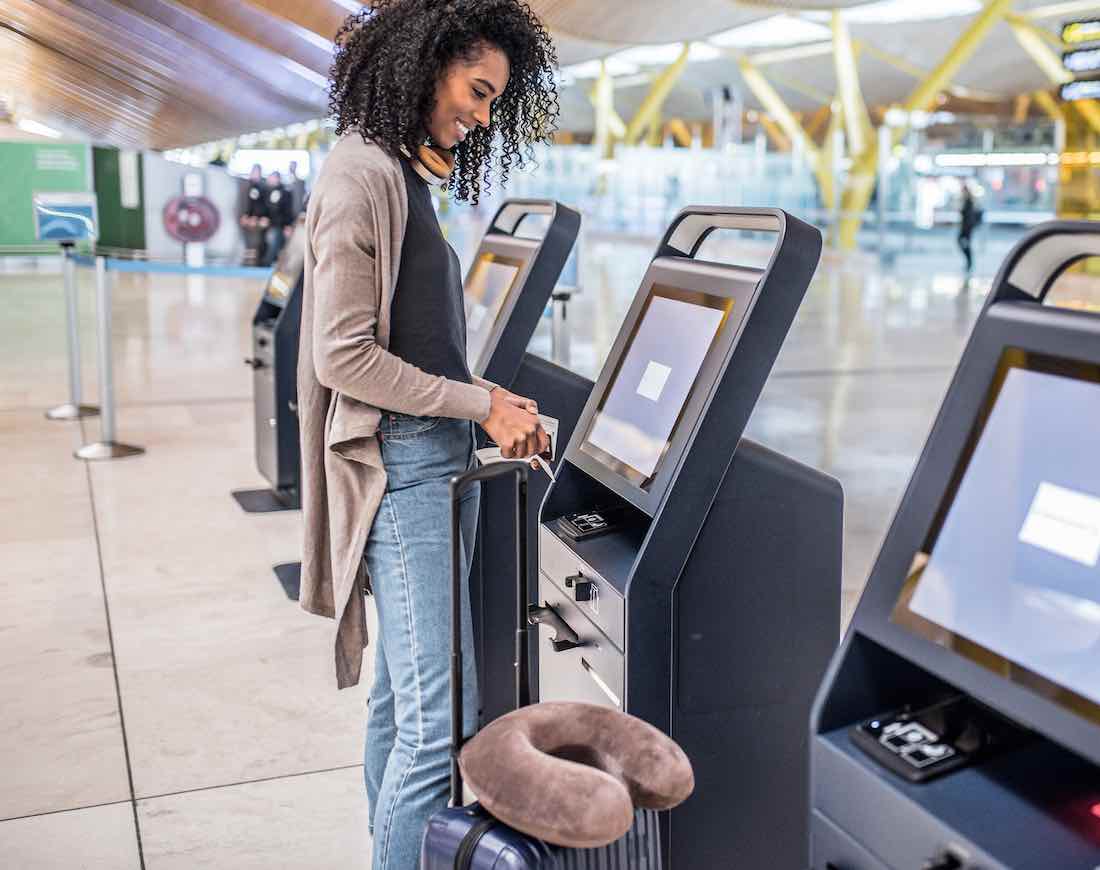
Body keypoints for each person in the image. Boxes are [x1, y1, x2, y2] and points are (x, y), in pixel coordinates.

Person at [296, 2, 559, 867]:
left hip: (432, 456)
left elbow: (412, 341)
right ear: (427, 62)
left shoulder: (399, 174)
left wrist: (486, 395)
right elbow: (345, 357)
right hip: (406, 469)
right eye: (477, 91)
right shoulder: (361, 177)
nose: (482, 115)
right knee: (436, 726)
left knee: (401, 707)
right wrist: (478, 408)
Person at [261, 170, 295, 266]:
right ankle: (266, 264)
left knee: (279, 246)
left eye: (273, 178)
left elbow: (287, 210)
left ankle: (268, 264)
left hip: (280, 225)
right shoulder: (266, 191)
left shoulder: (285, 193)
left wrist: (288, 225)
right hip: (270, 224)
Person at [239, 164, 268, 264]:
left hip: (256, 220)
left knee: (258, 240)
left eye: (258, 173)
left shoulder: (262, 188)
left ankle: (258, 261)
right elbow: (242, 203)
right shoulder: (244, 186)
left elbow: (262, 206)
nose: (256, 175)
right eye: (254, 172)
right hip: (243, 218)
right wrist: (245, 216)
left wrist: (256, 217)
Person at [958, 184, 982, 273]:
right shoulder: (967, 201)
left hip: (967, 227)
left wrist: (966, 228)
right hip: (966, 227)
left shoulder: (968, 201)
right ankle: (969, 263)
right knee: (965, 244)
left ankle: (969, 263)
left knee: (964, 243)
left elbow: (968, 216)